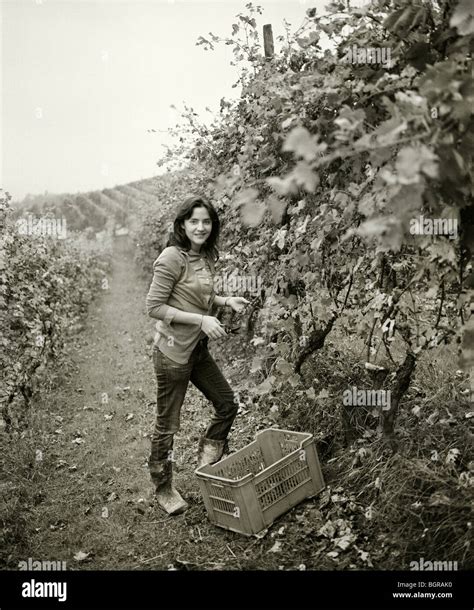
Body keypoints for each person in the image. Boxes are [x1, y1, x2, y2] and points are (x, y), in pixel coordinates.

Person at [145, 195, 249, 515]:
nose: (201, 227)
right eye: (194, 222)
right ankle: (163, 488)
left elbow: (201, 296)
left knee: (227, 403)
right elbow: (154, 307)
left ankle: (207, 462)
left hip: (197, 350)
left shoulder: (203, 257)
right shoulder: (171, 258)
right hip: (174, 355)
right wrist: (201, 320)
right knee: (168, 424)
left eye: (206, 221)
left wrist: (224, 300)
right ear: (182, 225)